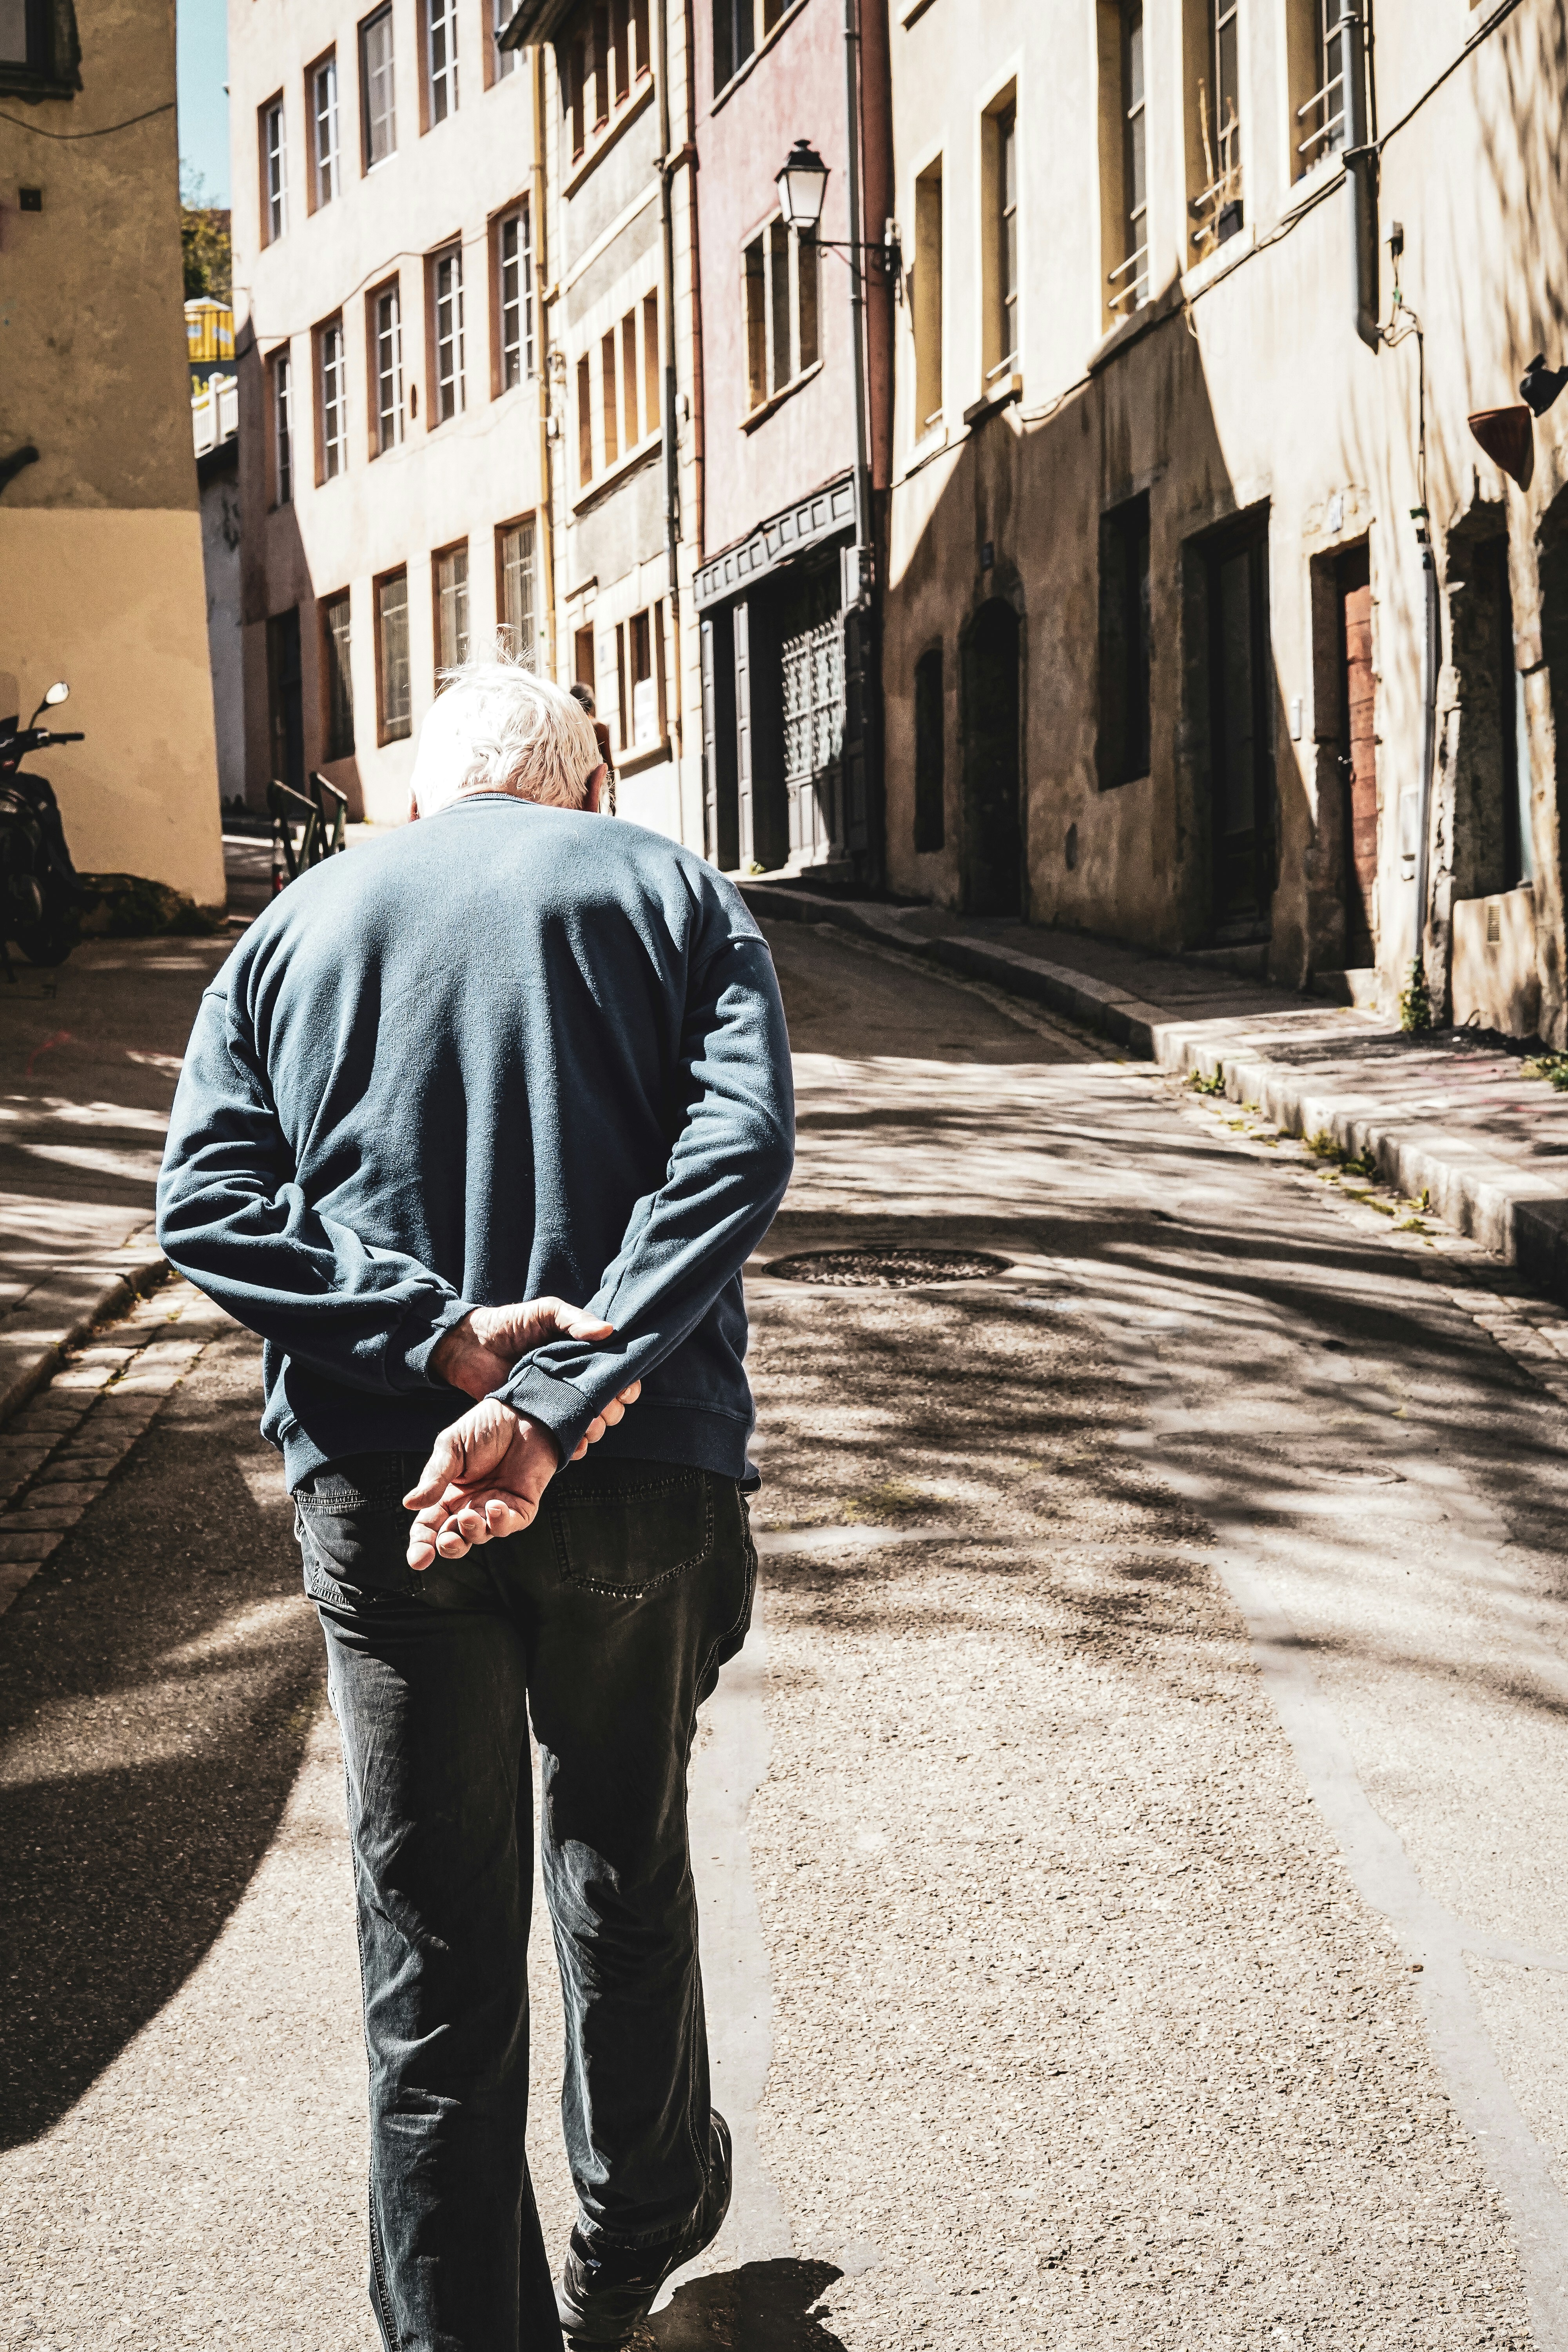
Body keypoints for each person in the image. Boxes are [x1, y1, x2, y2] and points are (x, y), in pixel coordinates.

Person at [155, 655, 796, 2350]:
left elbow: (205, 1204)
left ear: (426, 793)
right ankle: (640, 2208)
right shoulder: (672, 887)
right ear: (584, 781)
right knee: (621, 1841)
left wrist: (436, 1341)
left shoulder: (294, 928)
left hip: (385, 1486)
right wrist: (567, 1392)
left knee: (432, 1943)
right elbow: (732, 1155)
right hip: (638, 1471)